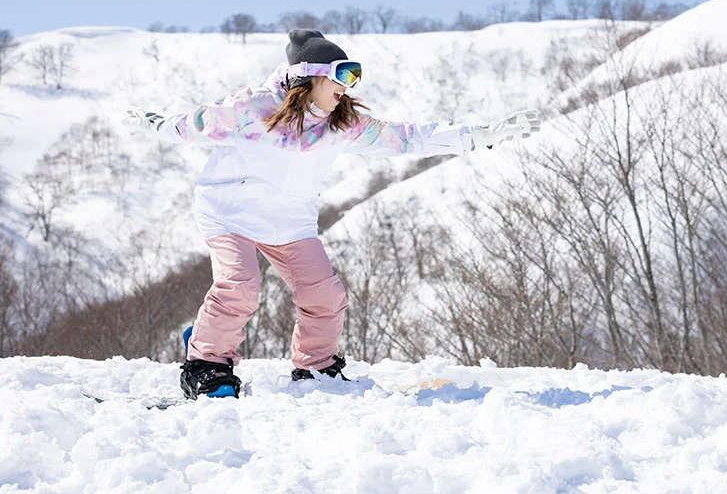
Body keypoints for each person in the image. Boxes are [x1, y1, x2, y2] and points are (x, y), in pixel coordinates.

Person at [124, 29, 541, 399]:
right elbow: (192, 125)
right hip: (229, 213)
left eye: (354, 75)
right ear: (311, 75)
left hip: (289, 222)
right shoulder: (250, 111)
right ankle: (207, 367)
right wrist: (156, 123)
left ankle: (315, 367)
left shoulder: (342, 124)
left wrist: (476, 136)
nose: (350, 85)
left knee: (324, 295)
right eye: (343, 73)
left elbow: (408, 137)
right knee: (240, 287)